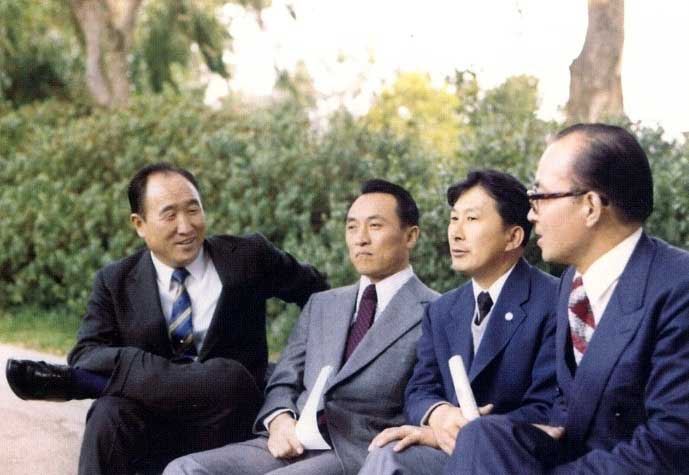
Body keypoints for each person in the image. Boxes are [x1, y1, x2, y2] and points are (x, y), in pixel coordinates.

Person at [5, 162, 328, 475]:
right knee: (107, 413)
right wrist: (156, 371)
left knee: (229, 376)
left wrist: (300, 371)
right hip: (153, 427)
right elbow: (86, 353)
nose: (186, 227)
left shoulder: (247, 257)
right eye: (170, 215)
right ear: (139, 224)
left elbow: (321, 298)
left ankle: (85, 385)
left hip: (232, 418)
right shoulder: (115, 281)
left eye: (193, 210)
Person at [448, 123, 689, 474]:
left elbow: (671, 446)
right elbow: (570, 408)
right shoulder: (572, 285)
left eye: (541, 196)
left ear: (590, 206)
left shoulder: (677, 287)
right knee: (481, 435)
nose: (531, 213)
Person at [163, 179, 439, 475]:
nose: (360, 239)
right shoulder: (322, 304)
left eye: (375, 226)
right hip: (292, 441)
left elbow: (431, 399)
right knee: (185, 469)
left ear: (410, 236)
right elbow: (284, 380)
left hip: (359, 451)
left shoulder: (435, 312)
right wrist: (279, 419)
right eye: (351, 227)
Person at [358, 169, 558, 475]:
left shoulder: (552, 300)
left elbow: (549, 405)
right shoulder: (442, 309)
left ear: (513, 237)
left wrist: (468, 433)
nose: (456, 232)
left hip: (512, 456)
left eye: (472, 219)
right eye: (454, 219)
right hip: (449, 451)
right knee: (388, 453)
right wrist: (439, 415)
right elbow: (420, 389)